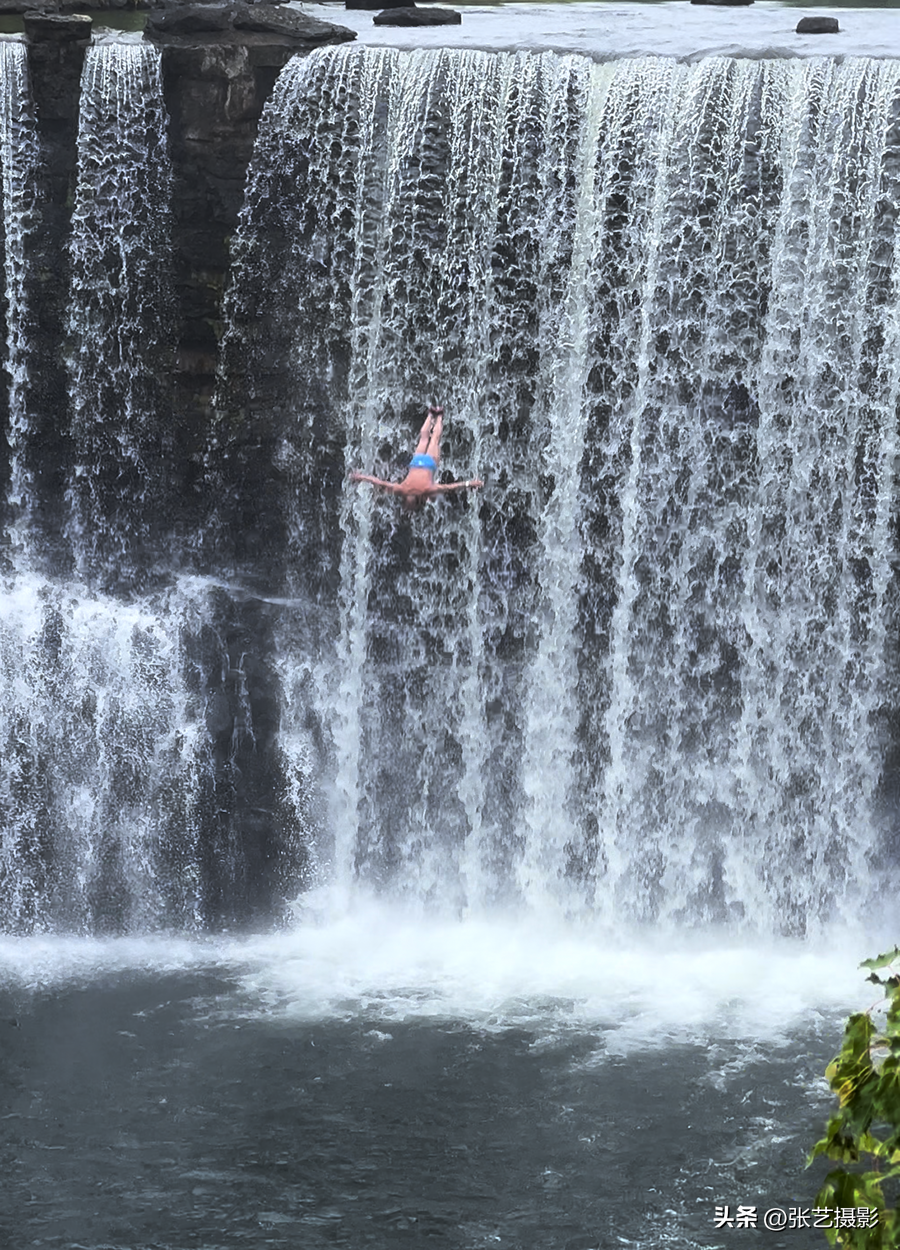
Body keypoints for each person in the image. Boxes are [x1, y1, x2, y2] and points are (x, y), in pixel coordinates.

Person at [348, 405, 483, 512]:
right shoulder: (426, 490)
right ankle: (439, 416)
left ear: (405, 500)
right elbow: (450, 487)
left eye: (407, 505)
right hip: (429, 463)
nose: (408, 504)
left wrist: (361, 477)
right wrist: (469, 484)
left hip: (417, 462)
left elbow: (379, 483)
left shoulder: (402, 489)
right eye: (411, 506)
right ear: (418, 502)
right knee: (434, 440)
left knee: (424, 439)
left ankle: (431, 414)